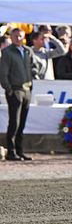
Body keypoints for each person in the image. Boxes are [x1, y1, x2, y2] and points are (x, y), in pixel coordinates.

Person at [0, 28, 34, 161]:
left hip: (26, 90)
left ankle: (20, 151)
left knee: (22, 123)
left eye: (20, 36)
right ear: (12, 37)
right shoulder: (7, 52)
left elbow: (30, 69)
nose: (18, 38)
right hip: (15, 90)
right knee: (14, 122)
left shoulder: (27, 51)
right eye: (16, 36)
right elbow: (3, 73)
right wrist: (9, 89)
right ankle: (11, 151)